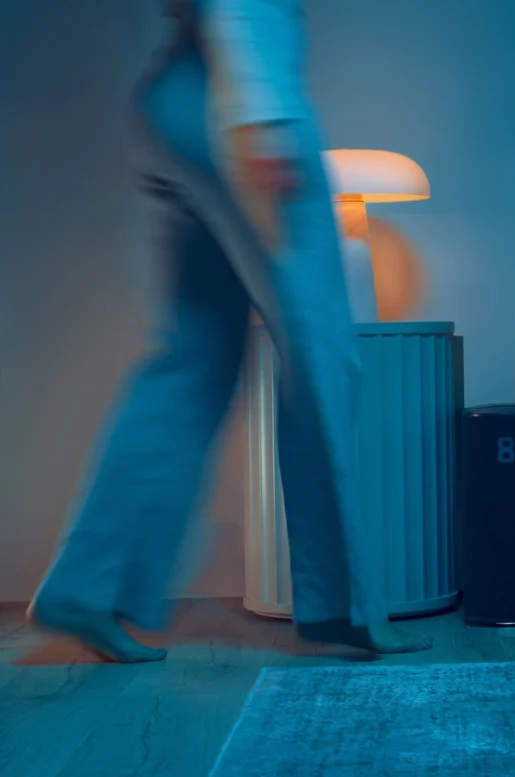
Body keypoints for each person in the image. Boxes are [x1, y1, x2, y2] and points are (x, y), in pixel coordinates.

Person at [26, 0, 432, 661]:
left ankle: (88, 585)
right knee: (324, 356)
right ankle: (343, 606)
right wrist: (261, 114)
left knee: (193, 359)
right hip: (240, 98)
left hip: (177, 101)